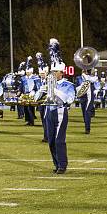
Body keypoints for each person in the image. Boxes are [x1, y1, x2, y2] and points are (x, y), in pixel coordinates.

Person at [37, 38, 75, 175]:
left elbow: (69, 99)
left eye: (55, 72)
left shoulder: (68, 85)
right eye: (51, 72)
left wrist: (54, 89)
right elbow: (36, 98)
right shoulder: (48, 83)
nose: (52, 74)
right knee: (51, 141)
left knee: (59, 140)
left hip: (60, 113)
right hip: (48, 112)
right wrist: (41, 90)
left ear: (61, 72)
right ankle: (56, 164)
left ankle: (63, 165)